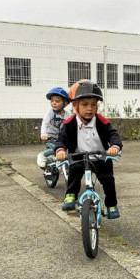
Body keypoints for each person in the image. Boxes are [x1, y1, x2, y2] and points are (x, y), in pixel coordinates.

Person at [55, 80, 123, 219]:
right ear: (75, 105)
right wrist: (61, 150)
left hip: (100, 157)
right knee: (73, 172)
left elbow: (113, 134)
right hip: (80, 157)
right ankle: (70, 197)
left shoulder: (102, 122)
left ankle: (111, 205)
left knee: (108, 180)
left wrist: (114, 147)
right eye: (85, 104)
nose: (90, 108)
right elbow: (61, 139)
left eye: (93, 104)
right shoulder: (69, 124)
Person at [36, 87, 71, 169]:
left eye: (57, 101)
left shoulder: (67, 115)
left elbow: (71, 126)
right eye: (52, 101)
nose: (54, 103)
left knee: (69, 150)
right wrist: (43, 134)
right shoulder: (50, 112)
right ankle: (42, 155)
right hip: (50, 138)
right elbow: (45, 122)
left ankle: (58, 163)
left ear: (65, 103)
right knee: (55, 148)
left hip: (61, 139)